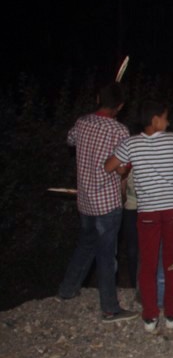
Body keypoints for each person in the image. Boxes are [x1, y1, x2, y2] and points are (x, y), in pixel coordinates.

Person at [105, 99, 173, 332]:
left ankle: (150, 316)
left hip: (147, 212)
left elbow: (109, 166)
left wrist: (124, 166)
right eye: (165, 117)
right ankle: (172, 314)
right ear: (155, 120)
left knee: (147, 264)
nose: (168, 121)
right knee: (172, 262)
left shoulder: (131, 144)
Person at [59, 82, 137, 322]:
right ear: (120, 106)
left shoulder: (82, 123)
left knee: (85, 244)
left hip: (85, 200)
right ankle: (110, 308)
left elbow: (70, 140)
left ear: (97, 98)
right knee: (106, 254)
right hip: (107, 201)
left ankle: (67, 290)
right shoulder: (119, 131)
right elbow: (123, 169)